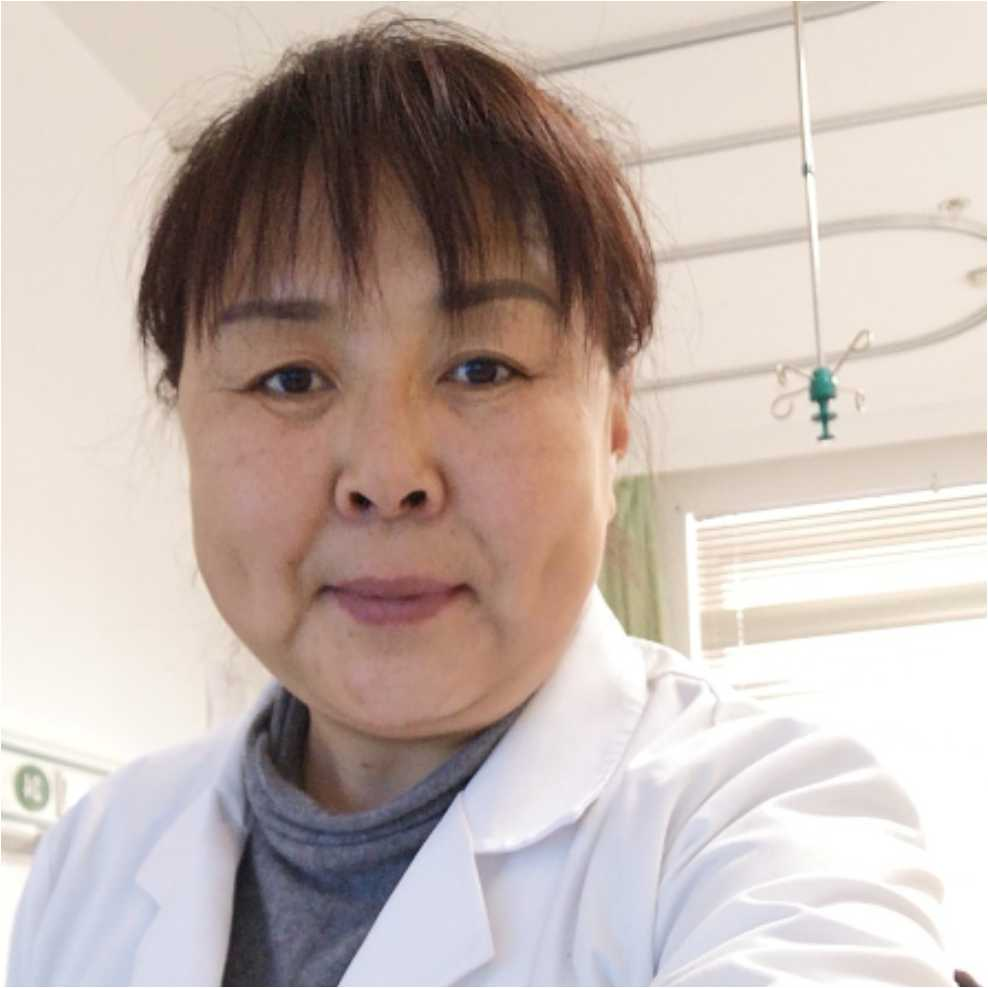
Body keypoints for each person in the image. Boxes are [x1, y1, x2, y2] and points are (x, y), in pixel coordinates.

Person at [7, 17, 955, 987]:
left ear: (612, 416)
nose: (387, 473)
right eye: (290, 379)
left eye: (482, 368)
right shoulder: (95, 858)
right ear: (186, 423)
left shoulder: (770, 823)